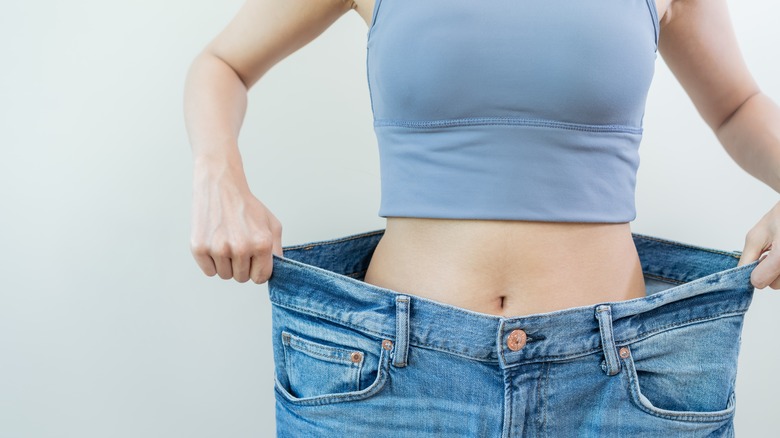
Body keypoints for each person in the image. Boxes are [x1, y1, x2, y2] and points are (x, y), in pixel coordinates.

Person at [183, 0, 780, 436]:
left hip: (620, 387)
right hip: (391, 385)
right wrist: (219, 174)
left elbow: (737, 107)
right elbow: (223, 63)